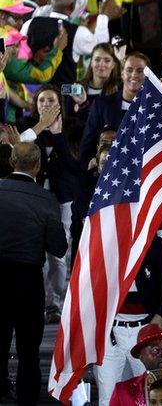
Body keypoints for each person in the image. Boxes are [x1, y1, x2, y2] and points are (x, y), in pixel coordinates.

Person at [0, 143, 66, 405]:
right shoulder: (46, 199)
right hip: (28, 281)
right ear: (38, 166)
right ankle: (27, 398)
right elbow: (59, 247)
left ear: (11, 162)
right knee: (28, 348)